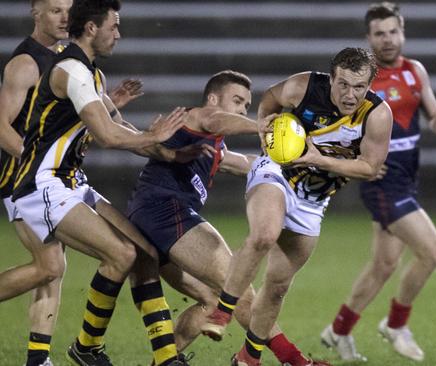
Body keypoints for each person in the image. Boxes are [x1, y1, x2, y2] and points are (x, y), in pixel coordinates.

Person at [11, 0, 193, 365]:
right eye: (114, 26)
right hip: (40, 186)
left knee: (144, 255)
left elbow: (122, 129)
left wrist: (168, 153)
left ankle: (165, 357)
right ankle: (86, 348)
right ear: (92, 29)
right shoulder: (70, 70)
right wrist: (152, 135)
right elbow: (108, 136)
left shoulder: (92, 75)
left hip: (70, 182)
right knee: (119, 253)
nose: (119, 34)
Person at [125, 70, 330, 366]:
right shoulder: (196, 118)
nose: (241, 109)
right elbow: (215, 119)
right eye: (236, 100)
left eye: (246, 105)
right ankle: (295, 361)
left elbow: (250, 164)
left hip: (153, 221)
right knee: (239, 290)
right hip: (166, 213)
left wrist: (303, 162)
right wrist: (258, 124)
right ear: (212, 98)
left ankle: (164, 362)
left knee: (212, 301)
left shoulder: (214, 147)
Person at [203, 47, 393, 366]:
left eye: (359, 87)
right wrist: (266, 127)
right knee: (264, 234)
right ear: (330, 78)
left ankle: (248, 359)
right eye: (343, 84)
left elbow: (370, 168)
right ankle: (222, 312)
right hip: (277, 171)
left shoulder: (377, 114)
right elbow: (269, 99)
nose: (350, 94)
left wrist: (319, 159)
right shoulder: (302, 87)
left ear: (369, 85)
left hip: (313, 199)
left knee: (277, 287)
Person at [0, 1, 142, 365]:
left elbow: (65, 116)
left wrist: (107, 103)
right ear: (35, 13)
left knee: (52, 269)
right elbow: (3, 125)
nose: (64, 17)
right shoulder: (26, 62)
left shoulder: (74, 60)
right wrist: (35, 165)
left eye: (68, 9)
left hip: (53, 179)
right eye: (54, 10)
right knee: (50, 267)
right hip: (26, 180)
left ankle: (38, 358)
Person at [319, 2, 436, 363]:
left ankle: (338, 331)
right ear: (368, 38)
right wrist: (356, 160)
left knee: (383, 265)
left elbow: (432, 108)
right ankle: (396, 325)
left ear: (402, 32)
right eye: (379, 33)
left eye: (392, 31)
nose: (387, 39)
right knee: (432, 251)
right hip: (382, 180)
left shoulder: (415, 71)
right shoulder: (362, 81)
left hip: (408, 176)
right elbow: (337, 127)